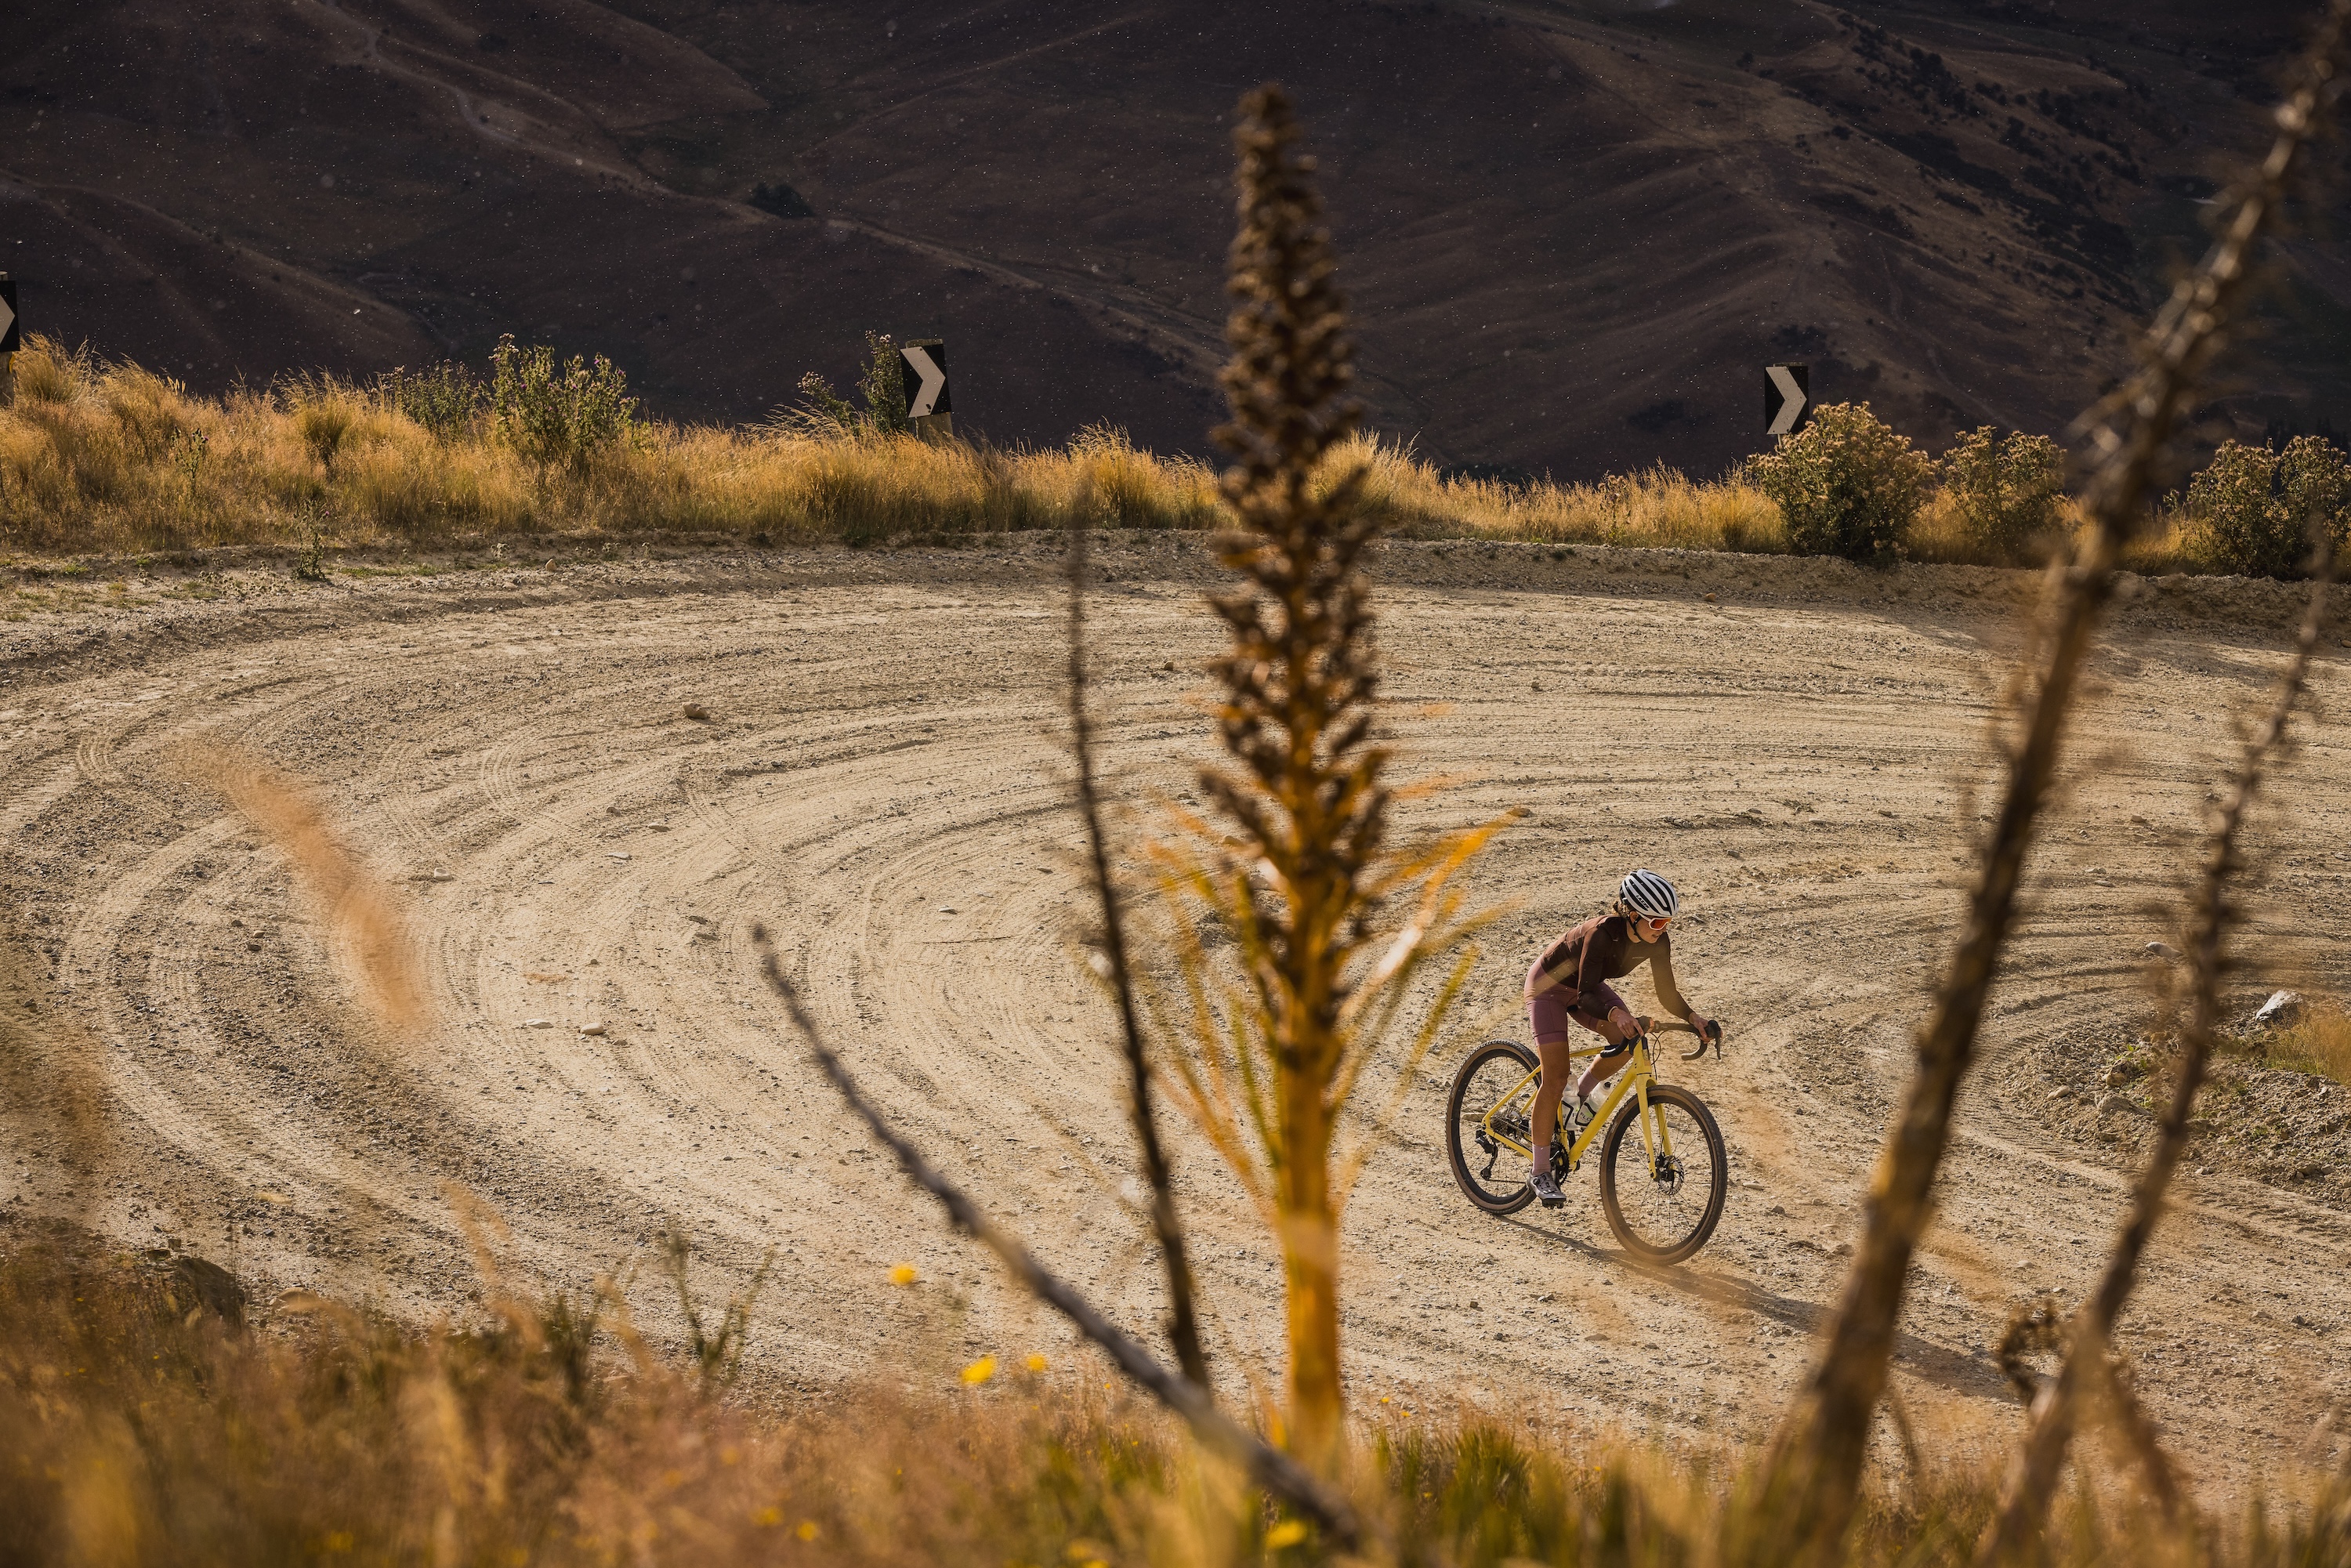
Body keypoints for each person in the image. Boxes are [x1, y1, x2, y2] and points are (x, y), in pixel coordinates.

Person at [1522, 869, 1714, 1208]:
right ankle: (1540, 1171)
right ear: (1632, 913)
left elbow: (1666, 992)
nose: (1663, 929)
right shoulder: (1601, 934)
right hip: (1549, 988)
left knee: (1631, 1042)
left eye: (1669, 922)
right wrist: (1615, 1014)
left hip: (1587, 986)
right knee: (1555, 1076)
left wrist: (1693, 1017)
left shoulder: (1658, 941)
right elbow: (1584, 995)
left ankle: (1576, 1100)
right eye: (1657, 922)